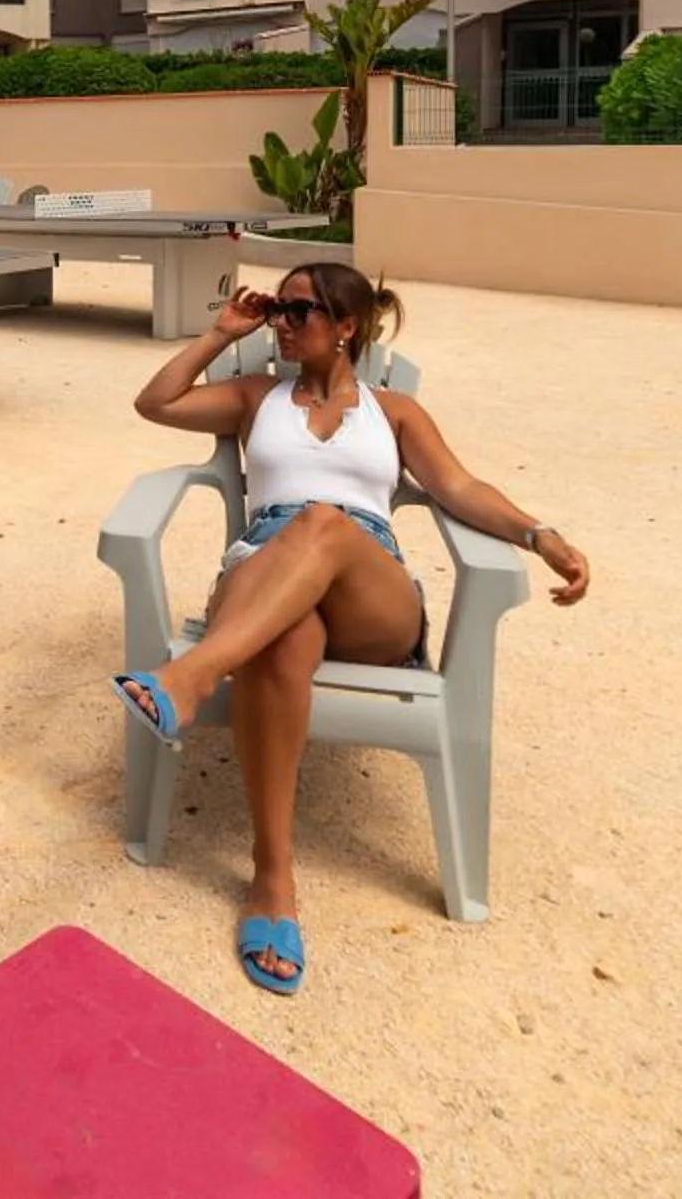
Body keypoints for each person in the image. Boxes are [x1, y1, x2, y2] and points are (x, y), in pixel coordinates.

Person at [113, 261, 589, 995]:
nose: (282, 323)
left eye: (299, 311)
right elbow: (156, 402)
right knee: (282, 644)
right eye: (278, 310)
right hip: (264, 572)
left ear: (347, 327)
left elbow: (458, 488)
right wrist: (220, 332)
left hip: (370, 588)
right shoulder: (253, 398)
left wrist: (540, 535)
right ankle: (273, 881)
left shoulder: (393, 412)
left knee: (324, 522)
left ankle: (195, 672)